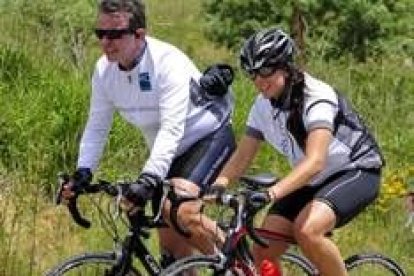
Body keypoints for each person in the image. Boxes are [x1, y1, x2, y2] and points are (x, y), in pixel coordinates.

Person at [62, 0, 236, 266]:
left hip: (207, 136)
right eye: (100, 33)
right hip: (166, 151)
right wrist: (83, 172)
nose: (106, 42)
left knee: (180, 211)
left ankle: (239, 264)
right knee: (172, 258)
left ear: (139, 35)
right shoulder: (103, 71)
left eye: (115, 34)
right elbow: (97, 126)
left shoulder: (167, 63)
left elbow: (172, 127)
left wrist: (148, 178)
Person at [212, 27, 384, 276]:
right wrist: (218, 185)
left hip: (356, 170)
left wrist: (271, 193)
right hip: (315, 179)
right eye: (252, 74)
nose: (259, 80)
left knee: (308, 230)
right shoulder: (262, 106)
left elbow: (315, 161)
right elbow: (241, 157)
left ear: (285, 66)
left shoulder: (317, 96)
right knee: (263, 248)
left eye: (265, 71)